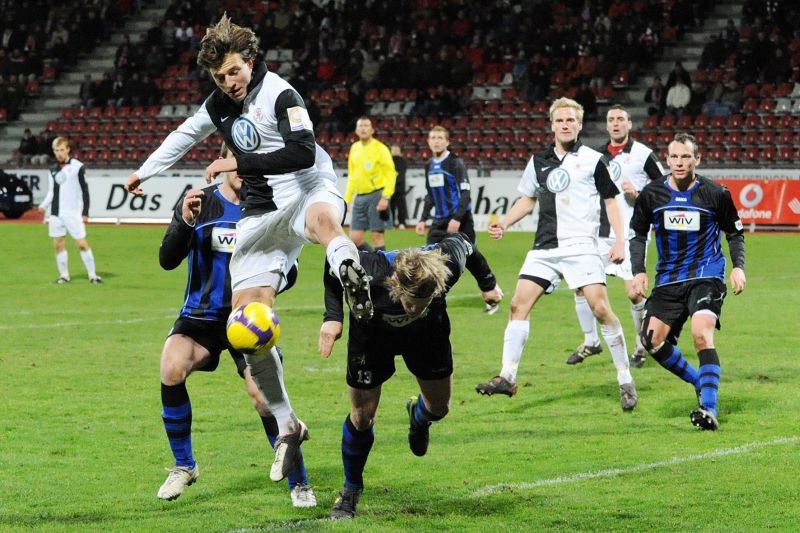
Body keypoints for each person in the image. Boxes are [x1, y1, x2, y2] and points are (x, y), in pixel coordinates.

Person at [124, 13, 373, 483]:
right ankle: (284, 426)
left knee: (322, 219)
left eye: (234, 72)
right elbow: (184, 135)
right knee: (245, 328)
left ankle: (346, 267)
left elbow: (303, 150)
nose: (229, 83)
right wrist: (144, 171)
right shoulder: (219, 103)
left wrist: (238, 160)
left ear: (251, 61)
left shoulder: (282, 93)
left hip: (304, 186)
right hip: (259, 213)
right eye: (220, 77)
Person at [155, 145, 315, 507]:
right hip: (201, 317)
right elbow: (167, 260)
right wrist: (184, 220)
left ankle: (300, 482)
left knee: (264, 400)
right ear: (224, 161)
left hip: (248, 321)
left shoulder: (270, 208)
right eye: (236, 161)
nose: (243, 169)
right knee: (171, 367)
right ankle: (184, 466)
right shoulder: (200, 201)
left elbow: (289, 271)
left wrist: (272, 286)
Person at [475, 98, 638, 412]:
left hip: (581, 246)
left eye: (571, 120)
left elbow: (611, 202)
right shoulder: (539, 161)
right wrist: (505, 223)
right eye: (560, 120)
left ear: (579, 124)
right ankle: (507, 376)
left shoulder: (593, 160)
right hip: (546, 247)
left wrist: (619, 242)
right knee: (517, 305)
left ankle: (624, 377)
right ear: (552, 125)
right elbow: (528, 200)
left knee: (601, 308)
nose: (565, 125)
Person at [318, 233, 474, 519]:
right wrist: (333, 317)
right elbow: (332, 265)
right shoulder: (369, 269)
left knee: (440, 408)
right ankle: (351, 488)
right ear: (397, 284)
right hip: (372, 337)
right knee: (362, 416)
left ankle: (418, 417)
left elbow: (467, 244)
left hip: (427, 336)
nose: (413, 308)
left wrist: (488, 284)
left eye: (422, 300)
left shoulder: (447, 265)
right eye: (410, 300)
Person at [630, 132, 746, 431]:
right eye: (674, 157)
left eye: (685, 157)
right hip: (668, 279)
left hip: (706, 275)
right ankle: (699, 381)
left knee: (700, 333)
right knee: (650, 340)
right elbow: (639, 235)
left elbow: (734, 233)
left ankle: (709, 408)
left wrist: (738, 267)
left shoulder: (715, 193)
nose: (679, 163)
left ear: (697, 159)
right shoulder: (651, 194)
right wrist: (638, 271)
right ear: (667, 160)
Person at [565, 105, 666, 368]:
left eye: (621, 119)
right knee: (580, 286)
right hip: (597, 233)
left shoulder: (643, 155)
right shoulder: (594, 156)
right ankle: (591, 340)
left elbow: (666, 189)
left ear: (629, 124)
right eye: (611, 120)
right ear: (607, 126)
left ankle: (641, 345)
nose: (616, 123)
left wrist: (641, 194)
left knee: (634, 294)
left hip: (631, 234)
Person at [416, 126, 504, 314]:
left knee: (471, 257)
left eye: (440, 137)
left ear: (447, 142)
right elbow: (430, 195)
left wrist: (457, 219)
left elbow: (465, 194)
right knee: (430, 259)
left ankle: (491, 291)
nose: (436, 141)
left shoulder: (455, 163)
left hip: (461, 220)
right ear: (428, 141)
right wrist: (423, 219)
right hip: (438, 222)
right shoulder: (429, 166)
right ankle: (432, 301)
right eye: (433, 137)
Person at [38, 136, 102, 285]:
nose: (59, 153)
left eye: (61, 150)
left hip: (72, 213)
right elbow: (51, 192)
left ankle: (93, 275)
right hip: (56, 213)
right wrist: (43, 205)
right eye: (56, 150)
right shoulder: (52, 169)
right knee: (58, 244)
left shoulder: (78, 167)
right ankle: (64, 275)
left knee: (81, 243)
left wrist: (85, 212)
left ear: (67, 149)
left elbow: (85, 191)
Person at [345, 116, 397, 251]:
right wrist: (347, 199)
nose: (363, 128)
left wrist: (386, 196)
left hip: (377, 195)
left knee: (377, 237)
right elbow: (352, 175)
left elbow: (391, 173)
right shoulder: (354, 148)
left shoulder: (380, 148)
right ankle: (375, 263)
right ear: (356, 130)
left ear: (372, 130)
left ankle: (383, 270)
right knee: (355, 239)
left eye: (366, 126)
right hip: (360, 197)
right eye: (360, 126)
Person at [389, 143, 408, 228]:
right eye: (393, 149)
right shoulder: (388, 160)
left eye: (396, 149)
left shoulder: (402, 161)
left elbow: (401, 174)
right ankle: (391, 223)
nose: (395, 151)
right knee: (391, 206)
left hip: (399, 187)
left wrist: (393, 177)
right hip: (390, 188)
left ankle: (402, 222)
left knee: (401, 206)